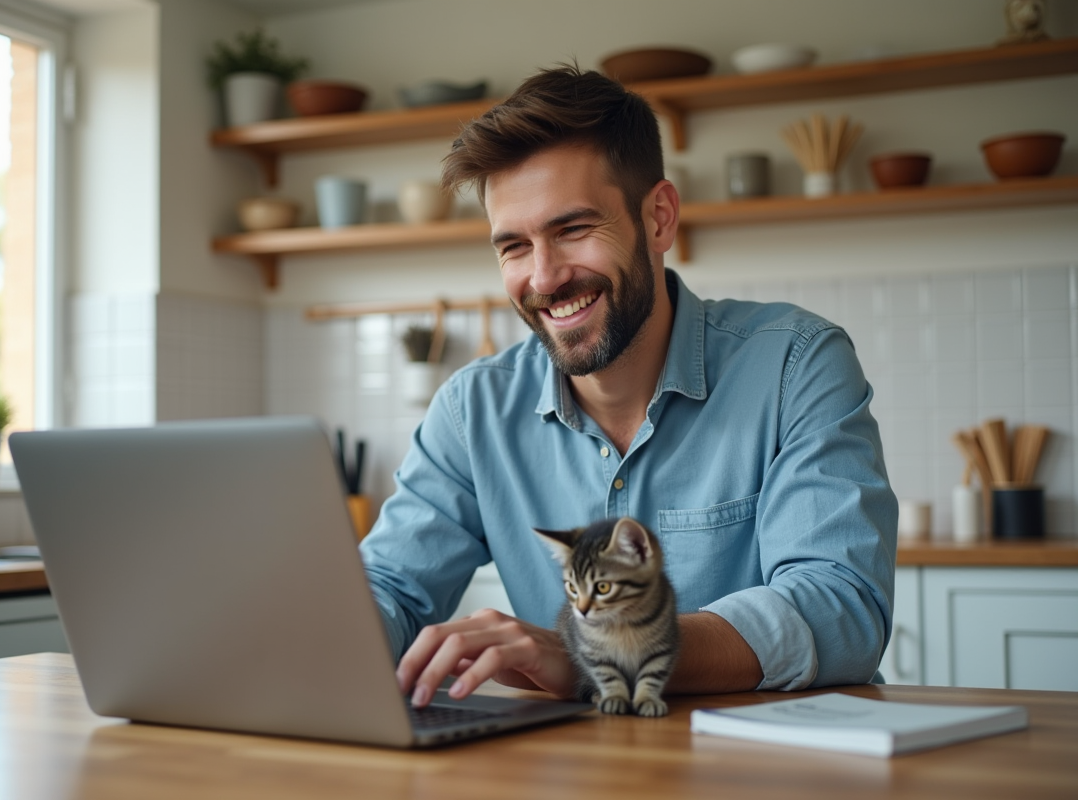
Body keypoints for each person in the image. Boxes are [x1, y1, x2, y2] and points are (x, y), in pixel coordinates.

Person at [359, 65, 896, 709]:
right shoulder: (472, 410)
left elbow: (842, 609)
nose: (544, 277)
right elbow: (391, 586)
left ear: (659, 218)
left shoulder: (796, 365)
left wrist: (601, 651)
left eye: (573, 230)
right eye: (513, 247)